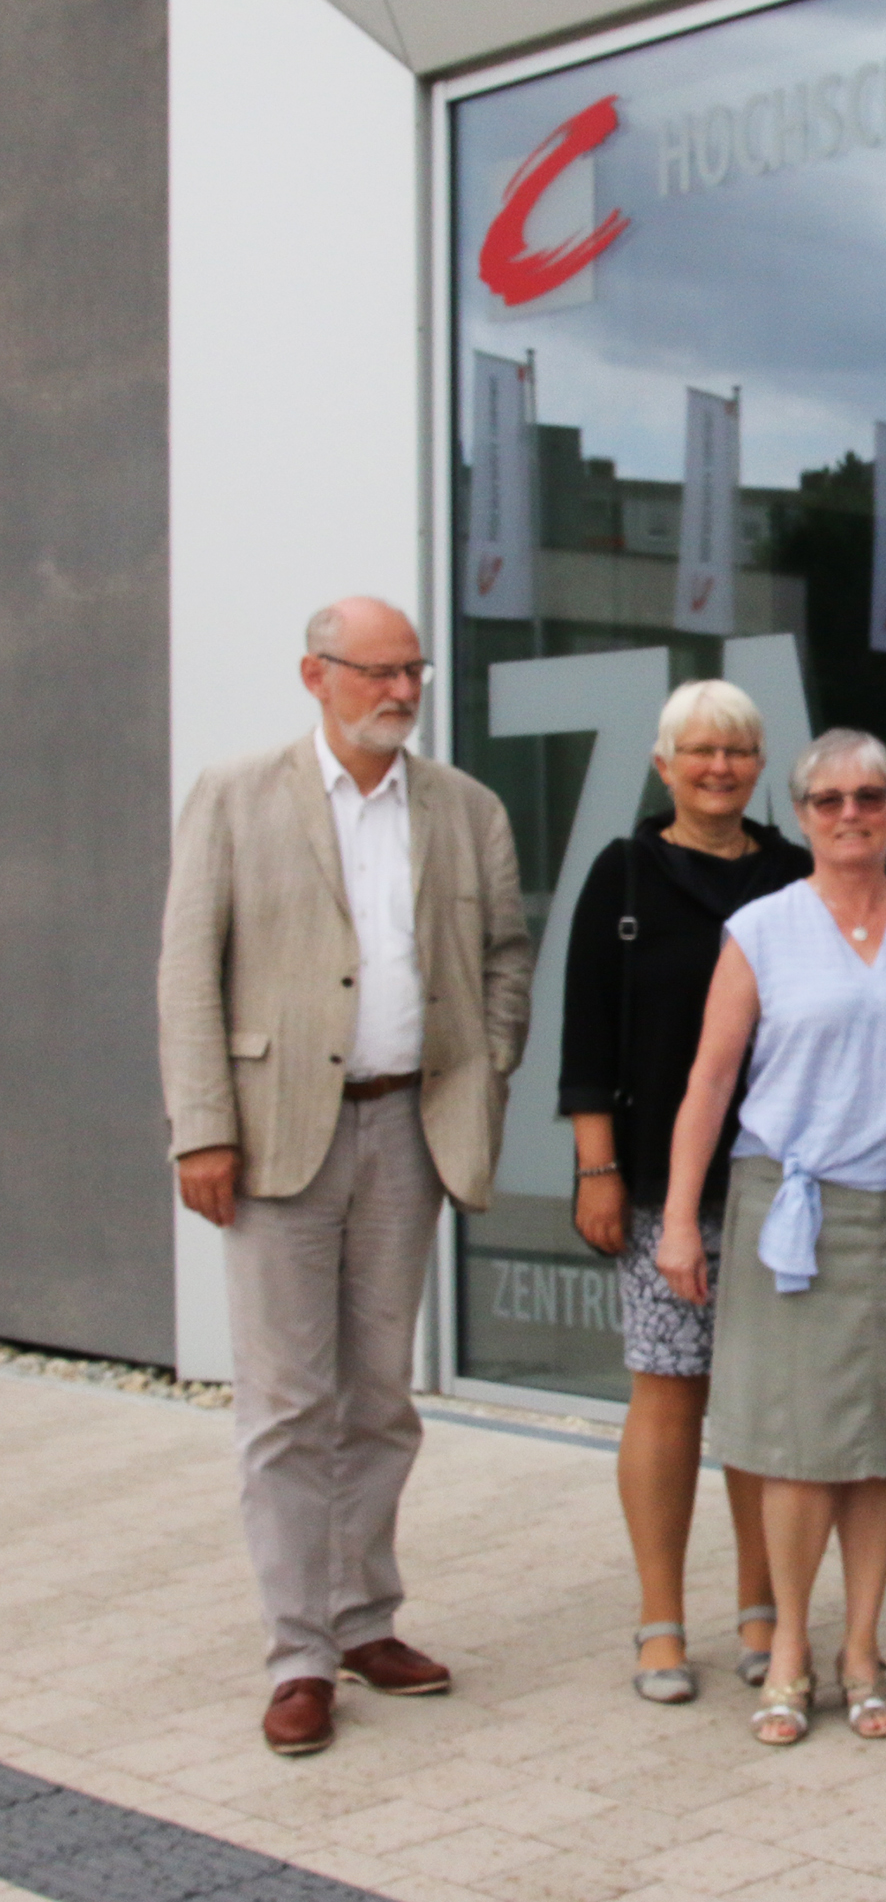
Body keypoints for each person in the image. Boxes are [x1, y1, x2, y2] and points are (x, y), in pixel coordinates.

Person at [158, 597, 532, 1758]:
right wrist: (201, 1129)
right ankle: (298, 1656)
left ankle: (364, 1617)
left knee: (379, 1398)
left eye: (414, 671)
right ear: (314, 675)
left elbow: (505, 956)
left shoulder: (465, 809)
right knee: (285, 1407)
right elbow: (187, 970)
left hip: (408, 1131)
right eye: (379, 672)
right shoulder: (236, 792)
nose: (405, 692)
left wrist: (485, 1066)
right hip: (275, 1137)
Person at [658, 729, 886, 1747]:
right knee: (797, 1447)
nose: (850, 815)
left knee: (882, 1443)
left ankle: (862, 1646)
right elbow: (709, 1083)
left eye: (870, 797)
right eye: (828, 800)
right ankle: (793, 1651)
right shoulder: (759, 929)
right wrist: (681, 1218)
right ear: (801, 815)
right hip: (788, 1214)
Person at [559, 679, 810, 1704]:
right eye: (699, 752)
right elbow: (584, 1037)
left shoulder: (797, 871)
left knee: (765, 1405)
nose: (719, 768)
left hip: (784, 1186)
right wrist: (598, 1167)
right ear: (663, 765)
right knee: (668, 1394)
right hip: (665, 1186)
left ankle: (764, 1610)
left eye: (739, 752)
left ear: (759, 765)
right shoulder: (622, 875)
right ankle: (660, 1621)